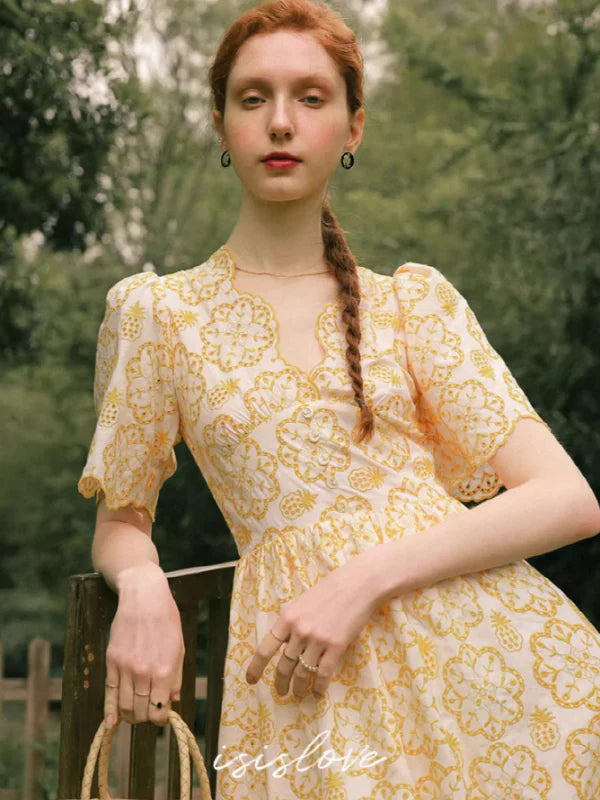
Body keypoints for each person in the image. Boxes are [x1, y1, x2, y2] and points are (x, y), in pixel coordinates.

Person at [78, 1, 600, 797]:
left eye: (311, 98)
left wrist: (362, 578)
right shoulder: (158, 316)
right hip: (303, 692)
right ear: (221, 125)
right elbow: (121, 521)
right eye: (253, 98)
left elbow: (567, 499)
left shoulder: (413, 306)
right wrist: (143, 586)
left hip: (497, 672)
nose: (280, 122)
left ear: (353, 128)